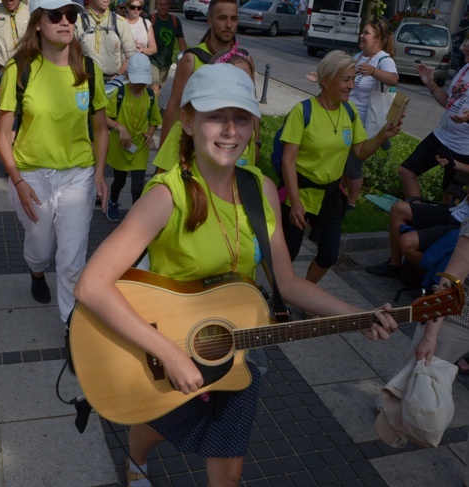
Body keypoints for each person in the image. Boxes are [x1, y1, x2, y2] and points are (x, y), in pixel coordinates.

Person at [74, 63, 398, 487]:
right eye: (216, 116)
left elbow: (287, 282)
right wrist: (168, 353)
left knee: (229, 465)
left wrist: (359, 313)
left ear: (254, 125)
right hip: (168, 341)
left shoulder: (259, 188)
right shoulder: (166, 196)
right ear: (188, 122)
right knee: (158, 422)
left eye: (241, 117)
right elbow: (91, 285)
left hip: (239, 342)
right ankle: (136, 461)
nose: (230, 130)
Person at [0, 0, 109, 323]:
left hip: (78, 175)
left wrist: (99, 173)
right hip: (33, 176)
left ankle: (72, 329)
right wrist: (17, 181)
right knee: (41, 250)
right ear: (37, 23)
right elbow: (3, 135)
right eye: (55, 15)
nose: (65, 22)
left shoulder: (89, 69)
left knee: (72, 260)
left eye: (71, 16)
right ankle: (35, 271)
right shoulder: (19, 69)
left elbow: (101, 129)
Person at [280, 50, 401, 284]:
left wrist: (382, 135)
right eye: (346, 79)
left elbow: (360, 152)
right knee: (288, 253)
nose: (351, 86)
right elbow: (288, 160)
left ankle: (305, 293)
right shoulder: (302, 112)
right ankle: (277, 295)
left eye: (353, 79)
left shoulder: (349, 111)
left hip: (331, 195)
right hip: (299, 193)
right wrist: (295, 202)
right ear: (326, 81)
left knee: (328, 255)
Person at [389, 217, 469, 486]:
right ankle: (393, 416)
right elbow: (454, 275)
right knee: (415, 377)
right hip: (459, 318)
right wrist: (432, 333)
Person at [159, 0, 259, 153]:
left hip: (235, 145)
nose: (229, 25)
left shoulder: (245, 59)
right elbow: (174, 105)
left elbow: (252, 104)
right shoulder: (192, 59)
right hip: (198, 148)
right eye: (222, 18)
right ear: (210, 20)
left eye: (234, 18)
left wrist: (256, 143)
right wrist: (163, 148)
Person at [153, 44, 258, 173]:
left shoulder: (246, 131)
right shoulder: (183, 129)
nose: (231, 131)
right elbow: (162, 176)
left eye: (245, 81)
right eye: (216, 117)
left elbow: (247, 171)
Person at [398, 32, 469, 205]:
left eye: (468, 43)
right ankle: (417, 214)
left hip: (463, 148)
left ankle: (442, 227)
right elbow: (449, 103)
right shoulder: (464, 69)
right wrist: (431, 85)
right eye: (466, 41)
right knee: (406, 171)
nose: (463, 47)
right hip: (441, 136)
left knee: (450, 196)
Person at [345, 17, 398, 210]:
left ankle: (350, 204)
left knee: (353, 164)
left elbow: (393, 79)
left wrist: (374, 71)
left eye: (366, 32)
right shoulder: (359, 56)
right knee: (343, 158)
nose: (361, 35)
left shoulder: (384, 60)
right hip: (349, 118)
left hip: (366, 122)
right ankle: (338, 195)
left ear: (378, 38)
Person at [105, 52, 161, 221]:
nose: (139, 85)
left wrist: (150, 133)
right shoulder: (119, 93)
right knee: (119, 182)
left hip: (140, 147)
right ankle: (113, 201)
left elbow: (154, 120)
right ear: (128, 76)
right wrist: (119, 127)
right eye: (136, 81)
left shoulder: (150, 96)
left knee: (137, 187)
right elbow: (105, 117)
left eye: (143, 81)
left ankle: (135, 217)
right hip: (121, 146)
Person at [365, 197, 468, 279]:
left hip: (462, 225)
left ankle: (433, 281)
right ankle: (394, 265)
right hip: (455, 212)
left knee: (407, 243)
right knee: (399, 209)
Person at [0, 0, 29, 116]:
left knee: (25, 109)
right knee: (6, 112)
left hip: (24, 70)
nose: (9, 1)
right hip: (1, 69)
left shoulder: (30, 12)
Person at [75, 0, 136, 80]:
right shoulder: (77, 21)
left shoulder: (120, 22)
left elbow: (132, 57)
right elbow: (70, 54)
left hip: (113, 82)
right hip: (86, 81)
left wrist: (117, 75)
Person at [148, 0, 186, 97]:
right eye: (160, 4)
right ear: (156, 6)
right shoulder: (150, 19)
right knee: (154, 87)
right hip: (151, 60)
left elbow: (181, 39)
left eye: (165, 4)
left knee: (158, 88)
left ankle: (151, 106)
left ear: (169, 6)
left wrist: (185, 57)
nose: (163, 7)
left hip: (166, 61)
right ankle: (153, 111)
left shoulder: (175, 21)